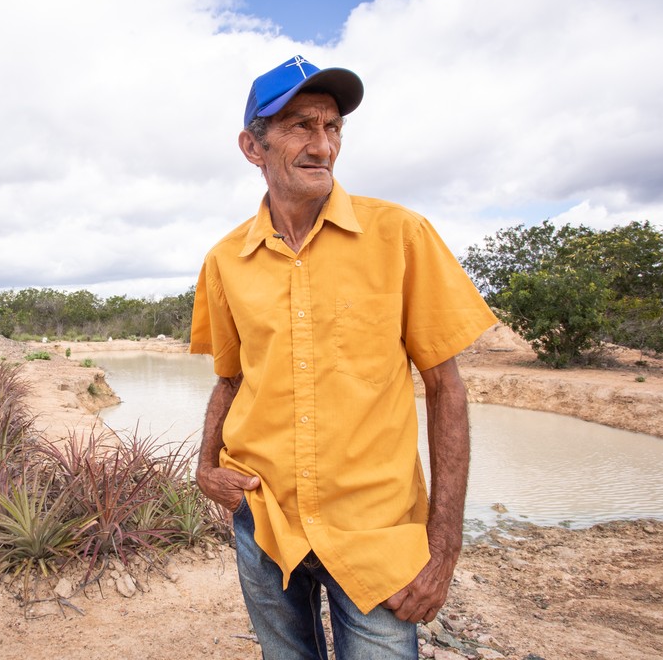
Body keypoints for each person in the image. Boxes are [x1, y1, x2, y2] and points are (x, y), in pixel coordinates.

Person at [189, 55, 497, 659]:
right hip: (266, 522)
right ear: (254, 146)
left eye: (332, 128)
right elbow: (230, 378)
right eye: (301, 126)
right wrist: (205, 468)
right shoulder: (225, 260)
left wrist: (443, 547)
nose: (321, 144)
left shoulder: (402, 235)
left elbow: (445, 388)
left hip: (376, 531)